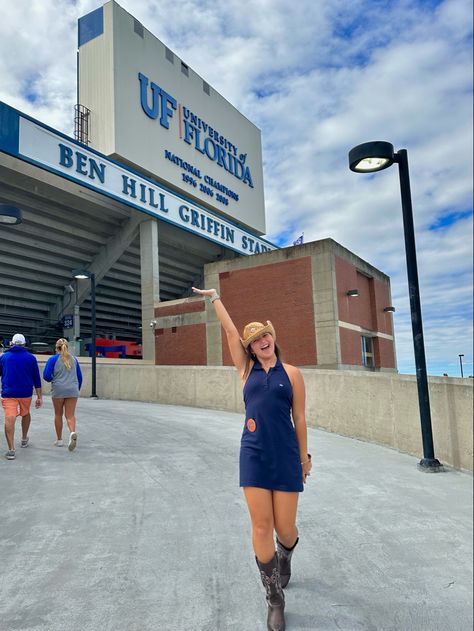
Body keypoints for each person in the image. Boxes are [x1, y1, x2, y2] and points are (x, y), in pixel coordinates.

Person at [192, 287, 312, 631]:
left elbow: (300, 418)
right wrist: (215, 297)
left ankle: (285, 554)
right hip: (254, 453)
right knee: (261, 525)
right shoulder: (246, 371)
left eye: (266, 334)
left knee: (285, 529)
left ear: (273, 337)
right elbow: (230, 331)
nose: (262, 340)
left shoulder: (292, 373)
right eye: (255, 339)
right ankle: (274, 598)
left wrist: (304, 458)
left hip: (287, 454)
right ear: (249, 348)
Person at [0, 333, 42, 460]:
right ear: (24, 344)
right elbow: (36, 378)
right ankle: (24, 439)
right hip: (25, 393)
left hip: (9, 393)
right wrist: (39, 396)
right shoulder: (31, 358)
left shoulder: (4, 357)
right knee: (25, 413)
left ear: (11, 343)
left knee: (9, 418)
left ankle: (11, 450)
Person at [43, 338, 82, 452]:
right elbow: (80, 377)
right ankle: (72, 433)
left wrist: (53, 379)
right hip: (72, 389)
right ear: (67, 347)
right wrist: (76, 389)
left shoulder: (53, 359)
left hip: (58, 389)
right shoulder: (74, 359)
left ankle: (59, 440)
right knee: (70, 415)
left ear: (56, 348)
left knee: (58, 414)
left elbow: (46, 376)